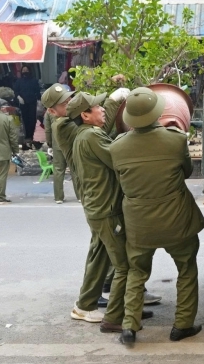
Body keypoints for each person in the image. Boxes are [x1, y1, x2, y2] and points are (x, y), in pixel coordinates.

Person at [109, 88, 204, 344]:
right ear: (157, 113)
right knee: (186, 269)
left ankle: (129, 326)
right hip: (177, 221)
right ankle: (182, 325)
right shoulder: (175, 140)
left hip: (139, 224)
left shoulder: (117, 148)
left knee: (136, 272)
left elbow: (121, 181)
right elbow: (186, 171)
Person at [67, 92, 153, 332]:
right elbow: (119, 159)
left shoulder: (84, 135)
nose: (103, 108)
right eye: (97, 106)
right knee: (124, 265)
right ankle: (117, 317)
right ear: (85, 115)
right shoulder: (92, 135)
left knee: (99, 259)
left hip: (97, 208)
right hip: (106, 210)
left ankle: (84, 306)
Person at [13, 65, 41, 148]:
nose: (25, 72)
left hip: (32, 102)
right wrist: (18, 97)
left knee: (32, 119)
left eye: (26, 70)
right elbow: (16, 91)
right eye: (23, 70)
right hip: (23, 103)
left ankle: (31, 136)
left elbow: (37, 91)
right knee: (25, 120)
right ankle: (26, 137)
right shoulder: (19, 81)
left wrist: (39, 100)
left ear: (29, 71)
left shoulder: (34, 80)